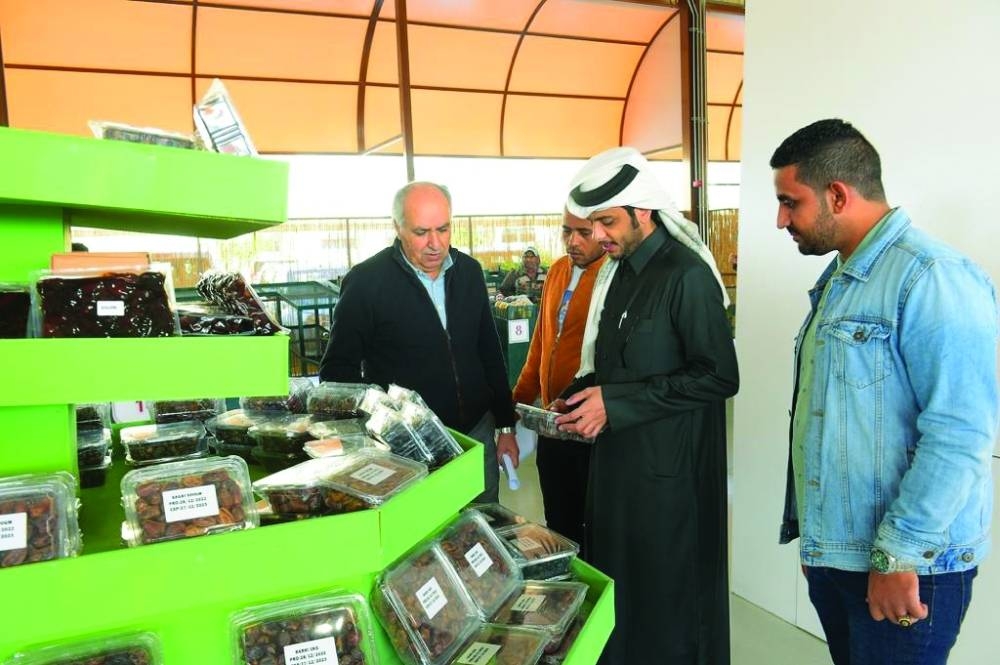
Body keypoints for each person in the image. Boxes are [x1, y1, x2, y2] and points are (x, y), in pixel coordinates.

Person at [771, 119, 998, 665]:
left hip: (907, 567)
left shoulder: (932, 277)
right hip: (843, 556)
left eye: (789, 202)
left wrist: (898, 556)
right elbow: (827, 418)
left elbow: (961, 432)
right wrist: (818, 542)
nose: (780, 220)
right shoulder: (843, 279)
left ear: (838, 195)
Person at [555, 147, 739, 665]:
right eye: (595, 224)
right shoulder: (621, 274)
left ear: (643, 211)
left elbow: (720, 376)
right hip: (618, 469)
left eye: (608, 222)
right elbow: (619, 366)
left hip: (670, 479)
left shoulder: (686, 276)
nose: (601, 235)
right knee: (623, 593)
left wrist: (616, 402)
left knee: (667, 602)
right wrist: (578, 393)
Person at [319, 181, 519, 503]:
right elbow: (337, 372)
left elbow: (489, 352)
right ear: (397, 227)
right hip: (408, 447)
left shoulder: (469, 272)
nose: (435, 244)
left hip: (476, 433)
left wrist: (506, 427)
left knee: (482, 528)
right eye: (421, 232)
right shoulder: (367, 282)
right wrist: (375, 433)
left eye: (443, 229)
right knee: (421, 535)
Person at [511, 210, 606, 550]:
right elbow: (540, 344)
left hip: (589, 425)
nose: (573, 241)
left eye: (584, 232)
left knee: (593, 526)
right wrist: (516, 400)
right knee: (558, 524)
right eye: (567, 231)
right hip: (552, 425)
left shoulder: (612, 278)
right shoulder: (557, 272)